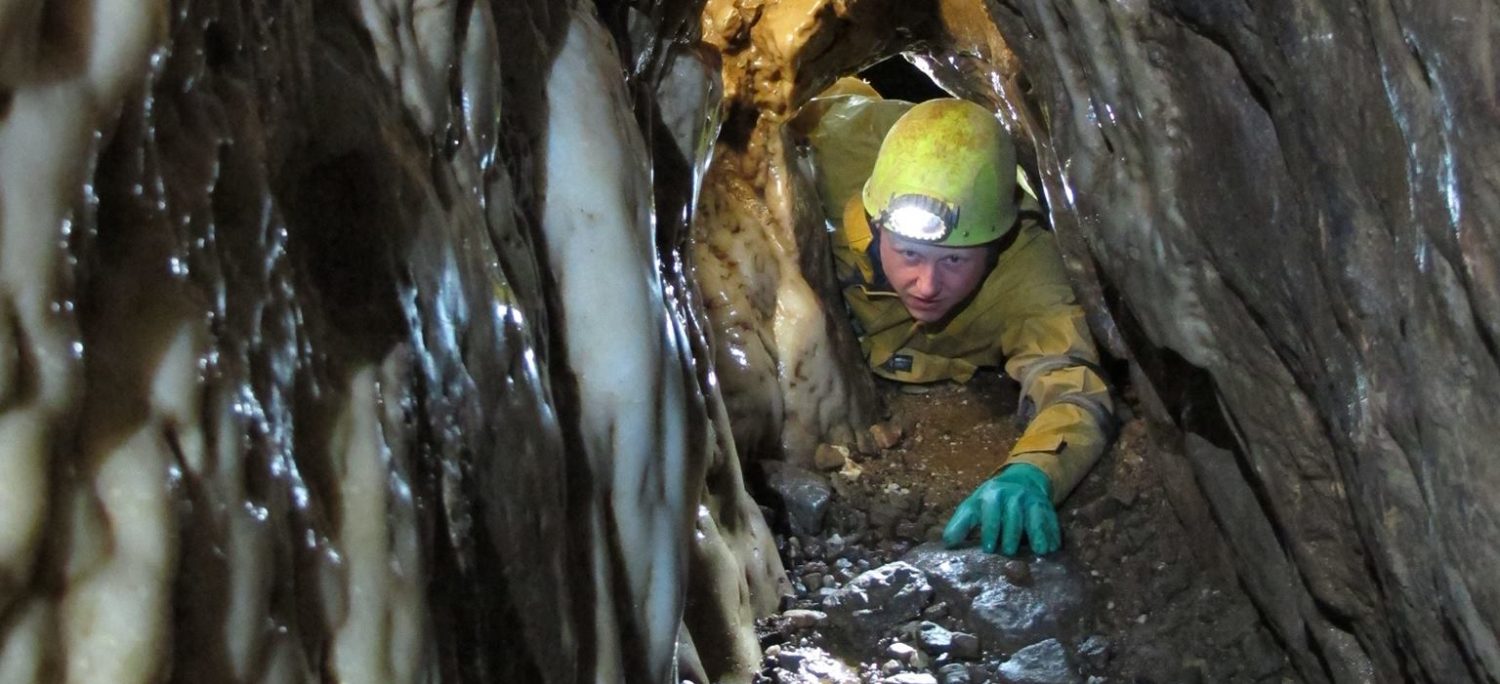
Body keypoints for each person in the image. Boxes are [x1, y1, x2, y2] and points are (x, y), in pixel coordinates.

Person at [798, 79, 1115, 556]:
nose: (926, 285)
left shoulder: (1028, 273)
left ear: (993, 246)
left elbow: (1070, 382)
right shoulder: (840, 150)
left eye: (954, 261)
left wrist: (1034, 470)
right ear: (876, 221)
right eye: (908, 254)